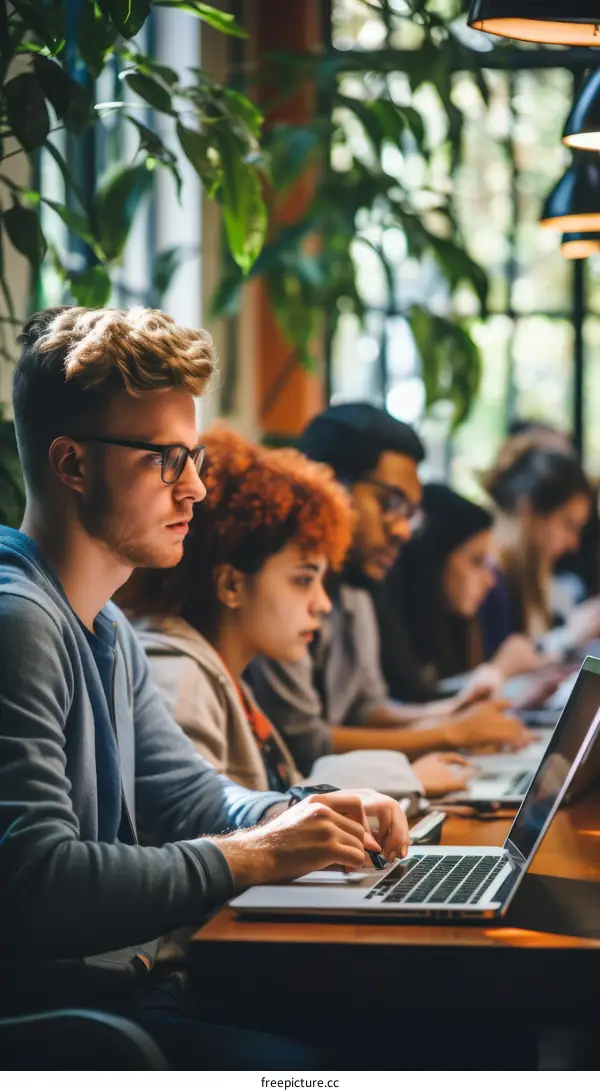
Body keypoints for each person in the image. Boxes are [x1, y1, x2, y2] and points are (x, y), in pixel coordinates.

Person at [0, 307, 410, 1071]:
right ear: (72, 465)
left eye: (193, 457)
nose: (193, 488)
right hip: (80, 1026)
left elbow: (193, 801)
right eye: (163, 458)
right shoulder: (19, 623)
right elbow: (38, 886)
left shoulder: (109, 630)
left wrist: (303, 812)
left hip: (144, 994)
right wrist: (254, 854)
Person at [119, 424, 463, 800]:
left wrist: (403, 777)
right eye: (303, 580)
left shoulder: (225, 678)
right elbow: (207, 835)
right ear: (231, 585)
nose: (323, 603)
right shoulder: (180, 680)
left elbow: (285, 788)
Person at [247, 402, 534, 781]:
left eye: (410, 512)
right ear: (327, 485)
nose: (402, 531)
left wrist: (454, 711)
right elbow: (304, 743)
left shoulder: (356, 589)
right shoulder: (278, 596)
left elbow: (370, 708)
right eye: (390, 503)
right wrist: (450, 732)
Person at [385, 483, 546, 697]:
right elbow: (418, 703)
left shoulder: (455, 626)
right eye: (476, 561)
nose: (490, 580)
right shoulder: (391, 624)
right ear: (434, 562)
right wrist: (498, 671)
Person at [483, 434, 600, 657]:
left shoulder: (534, 577)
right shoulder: (489, 583)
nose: (574, 543)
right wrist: (570, 636)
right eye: (569, 524)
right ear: (530, 511)